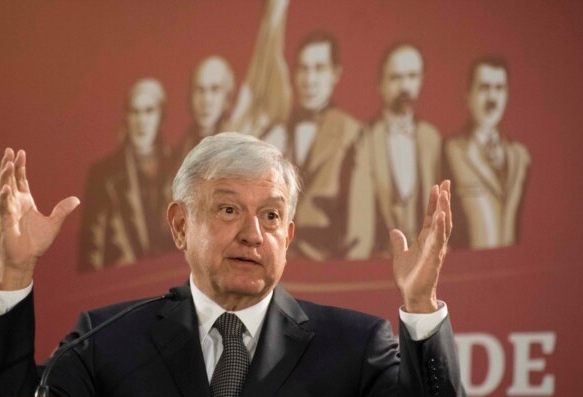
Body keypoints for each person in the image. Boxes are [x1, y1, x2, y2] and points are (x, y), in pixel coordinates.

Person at [0, 133, 469, 397]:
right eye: (228, 210)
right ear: (180, 225)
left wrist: (421, 306)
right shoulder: (106, 341)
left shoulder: (354, 346)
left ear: (289, 235)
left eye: (271, 216)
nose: (254, 234)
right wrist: (15, 271)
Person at [265, 32, 365, 261]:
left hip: (328, 266)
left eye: (319, 68)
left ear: (335, 74)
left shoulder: (353, 132)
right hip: (277, 263)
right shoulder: (276, 134)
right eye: (303, 68)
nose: (309, 80)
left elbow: (359, 227)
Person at [348, 44, 442, 259]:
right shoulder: (366, 140)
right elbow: (359, 222)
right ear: (380, 84)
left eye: (412, 76)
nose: (405, 86)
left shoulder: (432, 139)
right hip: (381, 263)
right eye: (396, 78)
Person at [77, 78, 178, 272]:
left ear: (161, 115)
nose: (142, 120)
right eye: (135, 112)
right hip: (122, 289)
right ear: (126, 117)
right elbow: (92, 251)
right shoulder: (103, 174)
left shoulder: (180, 164)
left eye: (149, 111)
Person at [175, 0, 291, 164]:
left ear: (227, 98)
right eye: (199, 90)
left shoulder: (241, 139)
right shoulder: (178, 152)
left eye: (214, 90)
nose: (206, 100)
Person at [444, 57, 531, 249]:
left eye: (499, 88)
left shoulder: (520, 156)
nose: (492, 98)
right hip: (470, 269)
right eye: (484, 88)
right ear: (468, 96)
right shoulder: (451, 151)